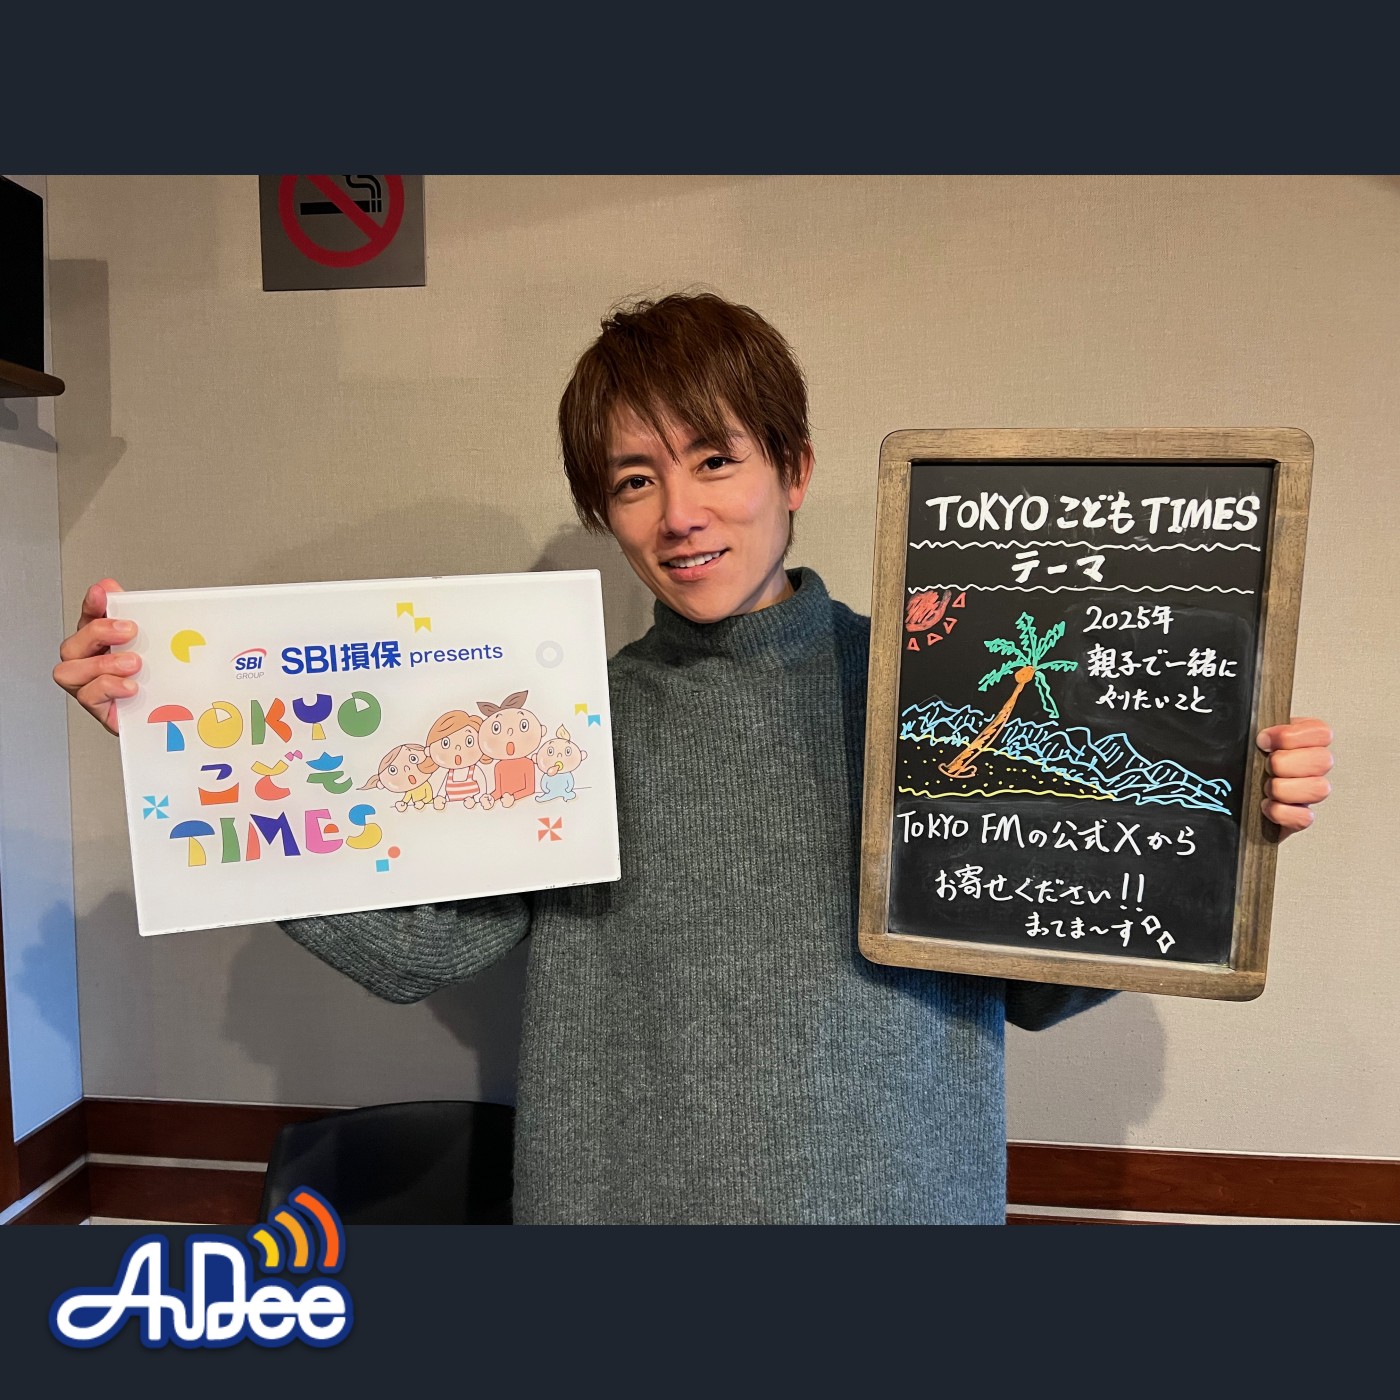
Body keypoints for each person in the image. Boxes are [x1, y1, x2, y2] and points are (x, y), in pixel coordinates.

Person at [54, 292, 1336, 1224]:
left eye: (715, 459)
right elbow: (419, 950)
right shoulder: (564, 723)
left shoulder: (939, 696)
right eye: (632, 481)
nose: (679, 514)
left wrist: (1219, 828)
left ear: (793, 467)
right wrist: (178, 750)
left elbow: (1039, 986)